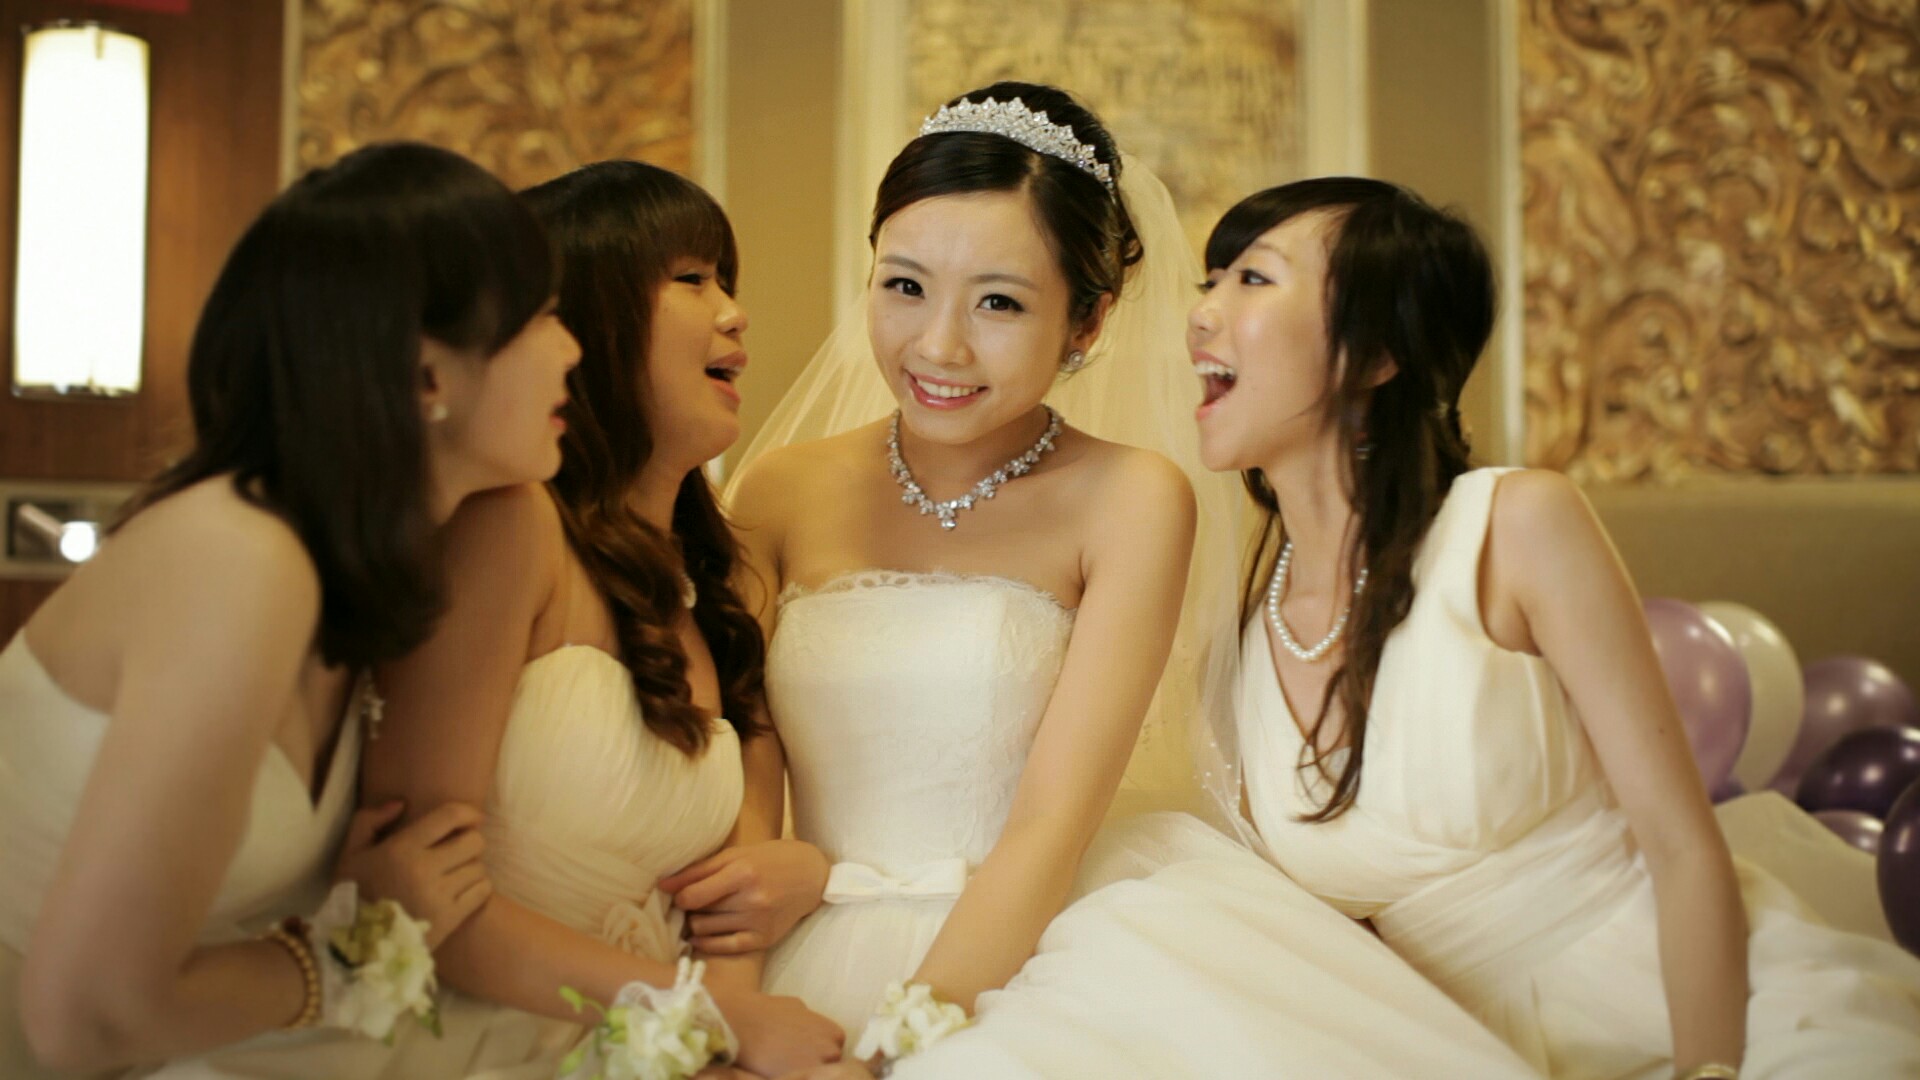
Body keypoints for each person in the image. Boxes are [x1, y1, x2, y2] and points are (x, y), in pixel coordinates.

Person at [721, 83, 1540, 1079]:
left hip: (1038, 942)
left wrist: (897, 1046)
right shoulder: (778, 491)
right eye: (904, 286)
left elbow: (1049, 823)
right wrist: (728, 1008)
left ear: (1089, 320)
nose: (938, 345)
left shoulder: (1132, 499)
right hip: (799, 934)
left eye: (999, 302)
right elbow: (742, 798)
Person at [1192, 175, 1920, 1079]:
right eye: (1209, 281)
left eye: (1253, 279)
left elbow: (1683, 848)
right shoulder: (1240, 637)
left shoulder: (1513, 525)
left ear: (1377, 353)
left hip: (1686, 1006)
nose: (1203, 313)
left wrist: (1710, 1071)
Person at [0, 141, 578, 1077]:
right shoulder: (237, 557)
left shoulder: (350, 577)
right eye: (543, 317)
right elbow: (87, 1016)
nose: (573, 348)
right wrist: (342, 954)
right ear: (428, 377)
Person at [360, 159, 842, 1079]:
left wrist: (725, 1023)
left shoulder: (715, 584)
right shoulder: (509, 528)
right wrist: (704, 1016)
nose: (735, 312)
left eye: (727, 280)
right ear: (578, 322)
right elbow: (412, 898)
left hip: (639, 1048)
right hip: (456, 1037)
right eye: (693, 279)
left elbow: (730, 909)